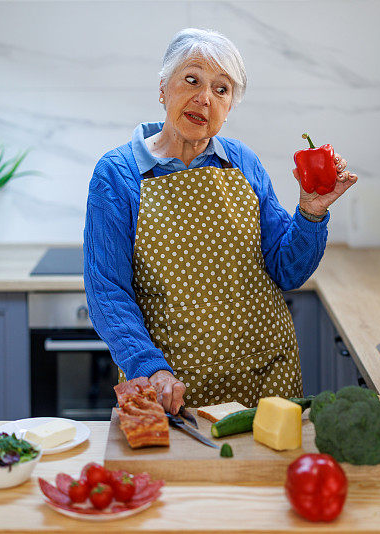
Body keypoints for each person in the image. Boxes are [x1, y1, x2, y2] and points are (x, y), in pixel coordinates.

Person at [84, 28, 357, 415]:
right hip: (171, 388)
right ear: (164, 87)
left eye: (221, 89)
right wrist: (150, 368)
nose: (204, 98)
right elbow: (107, 292)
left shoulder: (243, 162)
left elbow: (287, 270)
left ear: (230, 107)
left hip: (266, 377)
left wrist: (311, 213)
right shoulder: (118, 174)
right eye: (192, 80)